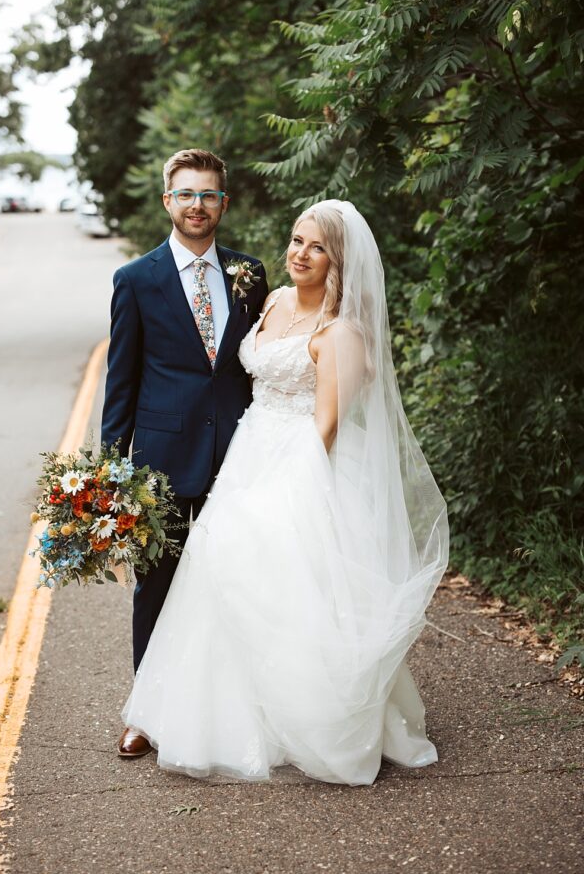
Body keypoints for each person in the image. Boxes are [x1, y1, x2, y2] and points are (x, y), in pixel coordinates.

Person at [122, 199, 449, 785]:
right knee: (224, 580)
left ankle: (307, 719)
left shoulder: (340, 332)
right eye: (297, 241)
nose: (300, 254)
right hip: (248, 453)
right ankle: (225, 714)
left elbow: (326, 424)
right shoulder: (268, 300)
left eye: (317, 246)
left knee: (290, 591)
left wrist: (285, 491)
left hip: (298, 467)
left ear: (338, 260)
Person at [101, 148, 269, 758]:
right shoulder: (136, 280)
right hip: (159, 463)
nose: (198, 206)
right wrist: (111, 476)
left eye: (209, 195)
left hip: (238, 457)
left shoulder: (250, 274)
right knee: (158, 588)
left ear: (225, 202)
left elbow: (255, 372)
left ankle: (238, 706)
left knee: (235, 584)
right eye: (186, 195)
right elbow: (121, 382)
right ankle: (146, 712)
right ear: (167, 201)